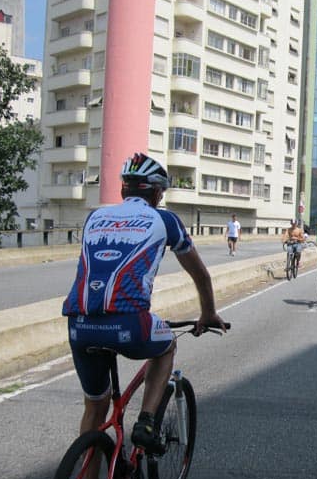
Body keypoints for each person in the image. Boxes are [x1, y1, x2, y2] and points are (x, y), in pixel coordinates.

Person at [62, 152, 226, 455]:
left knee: (95, 407)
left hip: (79, 323)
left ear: (123, 189)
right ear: (157, 193)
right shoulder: (165, 219)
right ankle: (147, 423)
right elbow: (200, 274)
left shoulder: (94, 217)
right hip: (129, 323)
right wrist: (208, 313)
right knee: (167, 347)